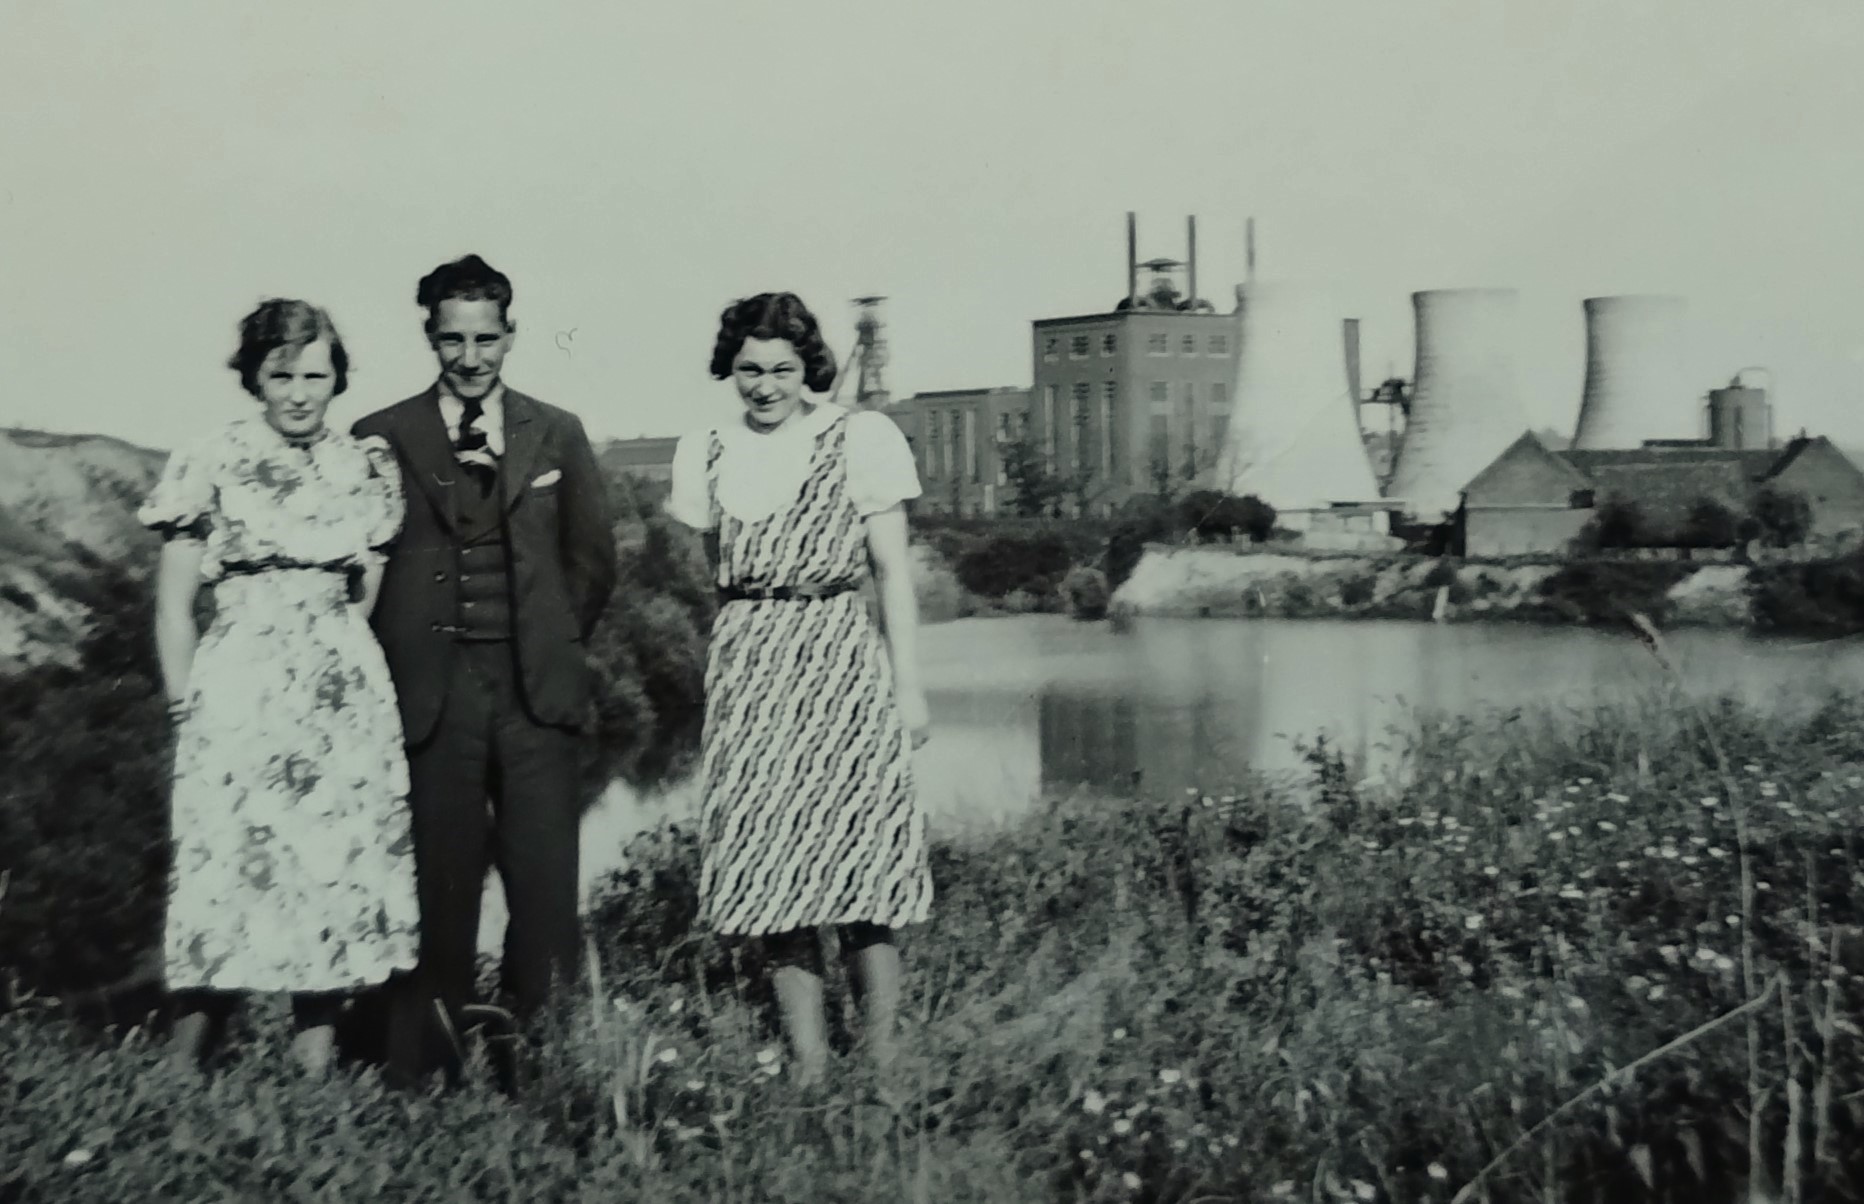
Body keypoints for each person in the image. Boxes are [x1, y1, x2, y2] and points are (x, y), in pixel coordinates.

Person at [351, 253, 618, 1088]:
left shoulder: (558, 431)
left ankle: (538, 1064)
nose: (470, 358)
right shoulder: (381, 434)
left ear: (511, 335)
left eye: (486, 340)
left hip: (536, 692)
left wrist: (549, 643)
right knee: (440, 887)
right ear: (430, 336)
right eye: (452, 340)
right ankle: (429, 1072)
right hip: (432, 695)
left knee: (543, 888)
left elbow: (592, 562)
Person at [139, 299, 420, 1075]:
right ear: (254, 378)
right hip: (240, 690)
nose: (299, 393)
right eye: (281, 374)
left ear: (338, 380)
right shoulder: (212, 459)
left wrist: (328, 646)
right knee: (224, 861)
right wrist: (182, 699)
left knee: (331, 864)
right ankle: (182, 1066)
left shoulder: (364, 465)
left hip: (339, 692)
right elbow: (172, 604)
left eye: (315, 376)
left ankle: (314, 1075)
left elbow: (365, 587)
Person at [666, 291, 932, 1086]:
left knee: (861, 866)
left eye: (781, 369)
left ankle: (883, 1065)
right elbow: (708, 575)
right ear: (730, 369)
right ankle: (808, 1071)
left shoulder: (858, 436)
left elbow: (892, 574)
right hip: (751, 666)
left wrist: (908, 689)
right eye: (749, 369)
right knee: (770, 873)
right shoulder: (706, 449)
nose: (764, 386)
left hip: (838, 658)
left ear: (808, 366)